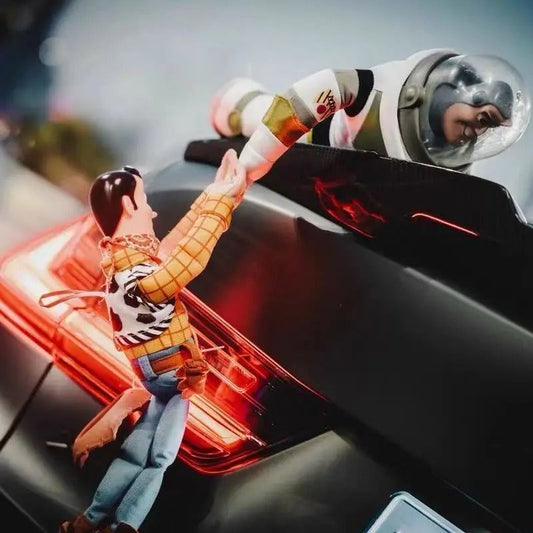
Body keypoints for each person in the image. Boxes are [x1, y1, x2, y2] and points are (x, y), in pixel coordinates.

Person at [54, 148, 247, 533]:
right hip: (172, 376)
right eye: (144, 203)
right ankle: (125, 526)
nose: (152, 212)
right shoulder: (137, 275)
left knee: (135, 453)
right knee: (159, 460)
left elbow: (173, 245)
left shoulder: (120, 264)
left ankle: (87, 523)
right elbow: (186, 261)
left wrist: (216, 197)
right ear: (128, 205)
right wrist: (220, 203)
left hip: (154, 376)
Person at [209, 48, 531, 183]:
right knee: (255, 114)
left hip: (360, 199)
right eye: (483, 119)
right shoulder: (376, 90)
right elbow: (309, 98)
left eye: (488, 128)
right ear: (459, 92)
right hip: (320, 140)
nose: (477, 131)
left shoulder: (456, 166)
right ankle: (242, 103)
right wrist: (250, 167)